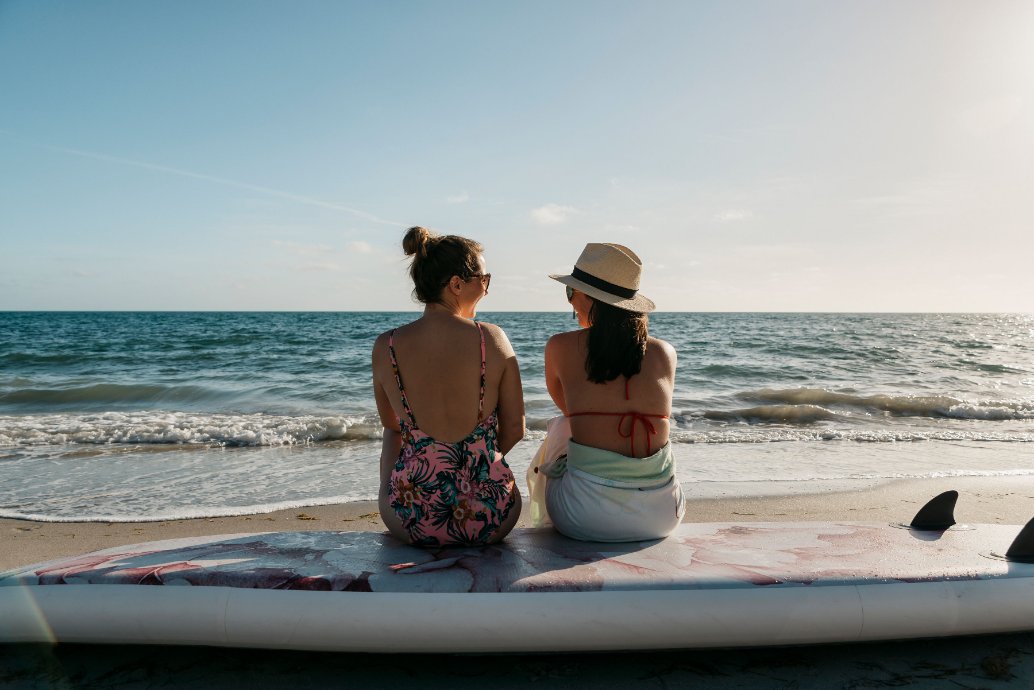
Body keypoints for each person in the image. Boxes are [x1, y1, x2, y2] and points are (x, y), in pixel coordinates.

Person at [372, 226, 524, 546]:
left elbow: (391, 427)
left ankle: (391, 493)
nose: (487, 288)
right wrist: (472, 465)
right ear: (456, 284)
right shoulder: (491, 339)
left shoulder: (386, 345)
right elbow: (514, 428)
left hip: (410, 517)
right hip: (493, 513)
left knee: (394, 432)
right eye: (484, 279)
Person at [529, 243, 685, 542]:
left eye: (571, 293)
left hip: (584, 516)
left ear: (590, 298)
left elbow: (567, 410)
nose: (570, 302)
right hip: (664, 515)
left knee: (562, 425)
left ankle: (542, 524)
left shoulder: (559, 347)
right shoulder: (665, 353)